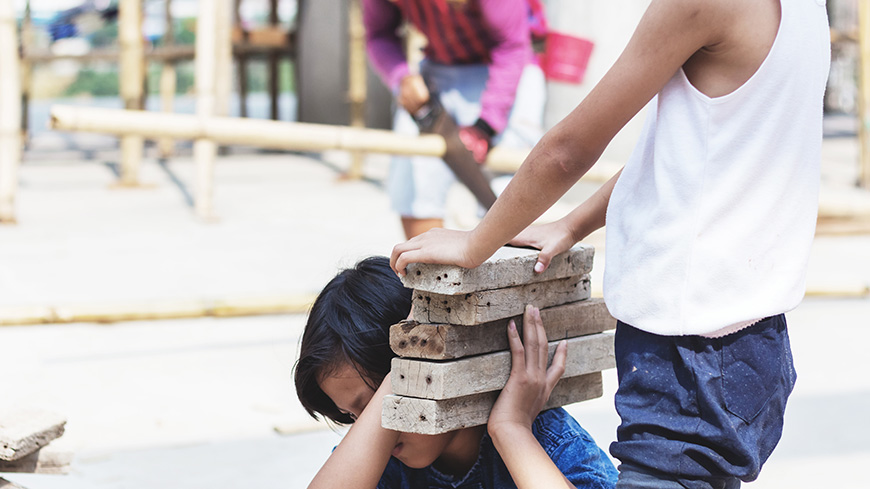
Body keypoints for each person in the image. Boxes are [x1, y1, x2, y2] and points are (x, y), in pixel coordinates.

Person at [390, 0, 830, 487]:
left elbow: (567, 150)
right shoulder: (805, 8)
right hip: (755, 342)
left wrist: (476, 242)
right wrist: (573, 224)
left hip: (691, 353)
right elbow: (688, 153)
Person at [294, 256, 618, 489]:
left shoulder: (548, 440)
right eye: (355, 416)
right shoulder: (383, 458)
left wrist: (511, 429)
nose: (374, 424)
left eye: (373, 404)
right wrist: (395, 381)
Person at [363, 0, 547, 239]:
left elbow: (511, 45)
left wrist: (485, 126)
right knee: (415, 190)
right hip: (439, 68)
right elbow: (378, 34)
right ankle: (432, 274)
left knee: (509, 197)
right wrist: (401, 78)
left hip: (507, 68)